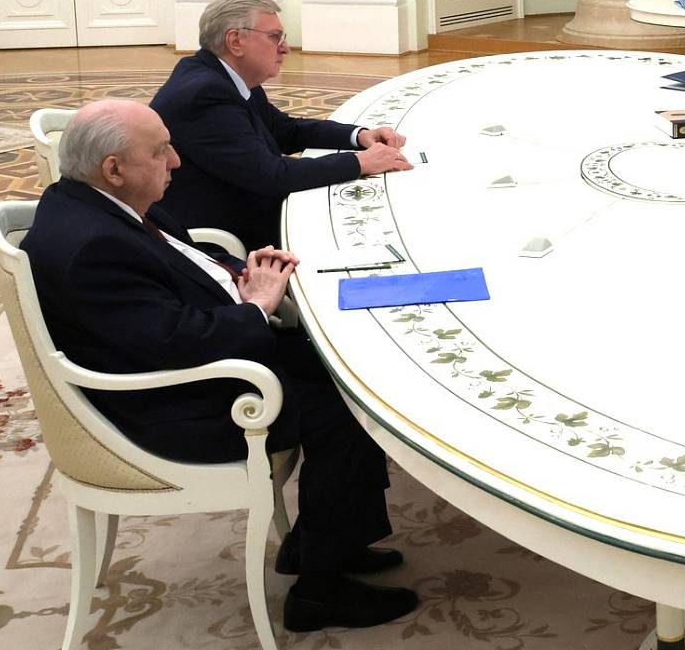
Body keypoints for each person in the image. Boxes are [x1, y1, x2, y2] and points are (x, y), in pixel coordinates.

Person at [22, 100, 418, 632]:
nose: (176, 160)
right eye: (160, 151)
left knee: (344, 365)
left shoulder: (99, 200)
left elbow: (182, 263)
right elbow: (171, 343)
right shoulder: (94, 246)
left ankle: (319, 542)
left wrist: (240, 274)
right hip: (167, 405)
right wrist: (256, 307)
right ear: (113, 168)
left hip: (180, 352)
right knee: (348, 407)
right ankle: (320, 592)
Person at [151, 0, 411, 249]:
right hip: (226, 237)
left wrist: (359, 135)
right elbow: (271, 176)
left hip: (247, 208)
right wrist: (360, 162)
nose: (285, 48)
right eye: (274, 37)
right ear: (235, 41)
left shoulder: (224, 76)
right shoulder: (205, 94)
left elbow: (283, 130)